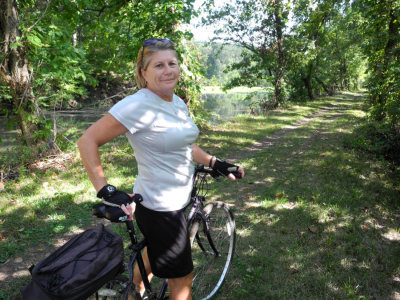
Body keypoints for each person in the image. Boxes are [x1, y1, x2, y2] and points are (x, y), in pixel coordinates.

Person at [77, 38, 244, 300]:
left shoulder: (176, 102)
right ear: (143, 73)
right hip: (160, 208)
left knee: (155, 251)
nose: (168, 70)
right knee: (183, 279)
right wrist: (104, 189)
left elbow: (184, 145)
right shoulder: (137, 105)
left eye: (172, 63)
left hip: (177, 199)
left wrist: (214, 162)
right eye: (158, 65)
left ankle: (135, 292)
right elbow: (87, 141)